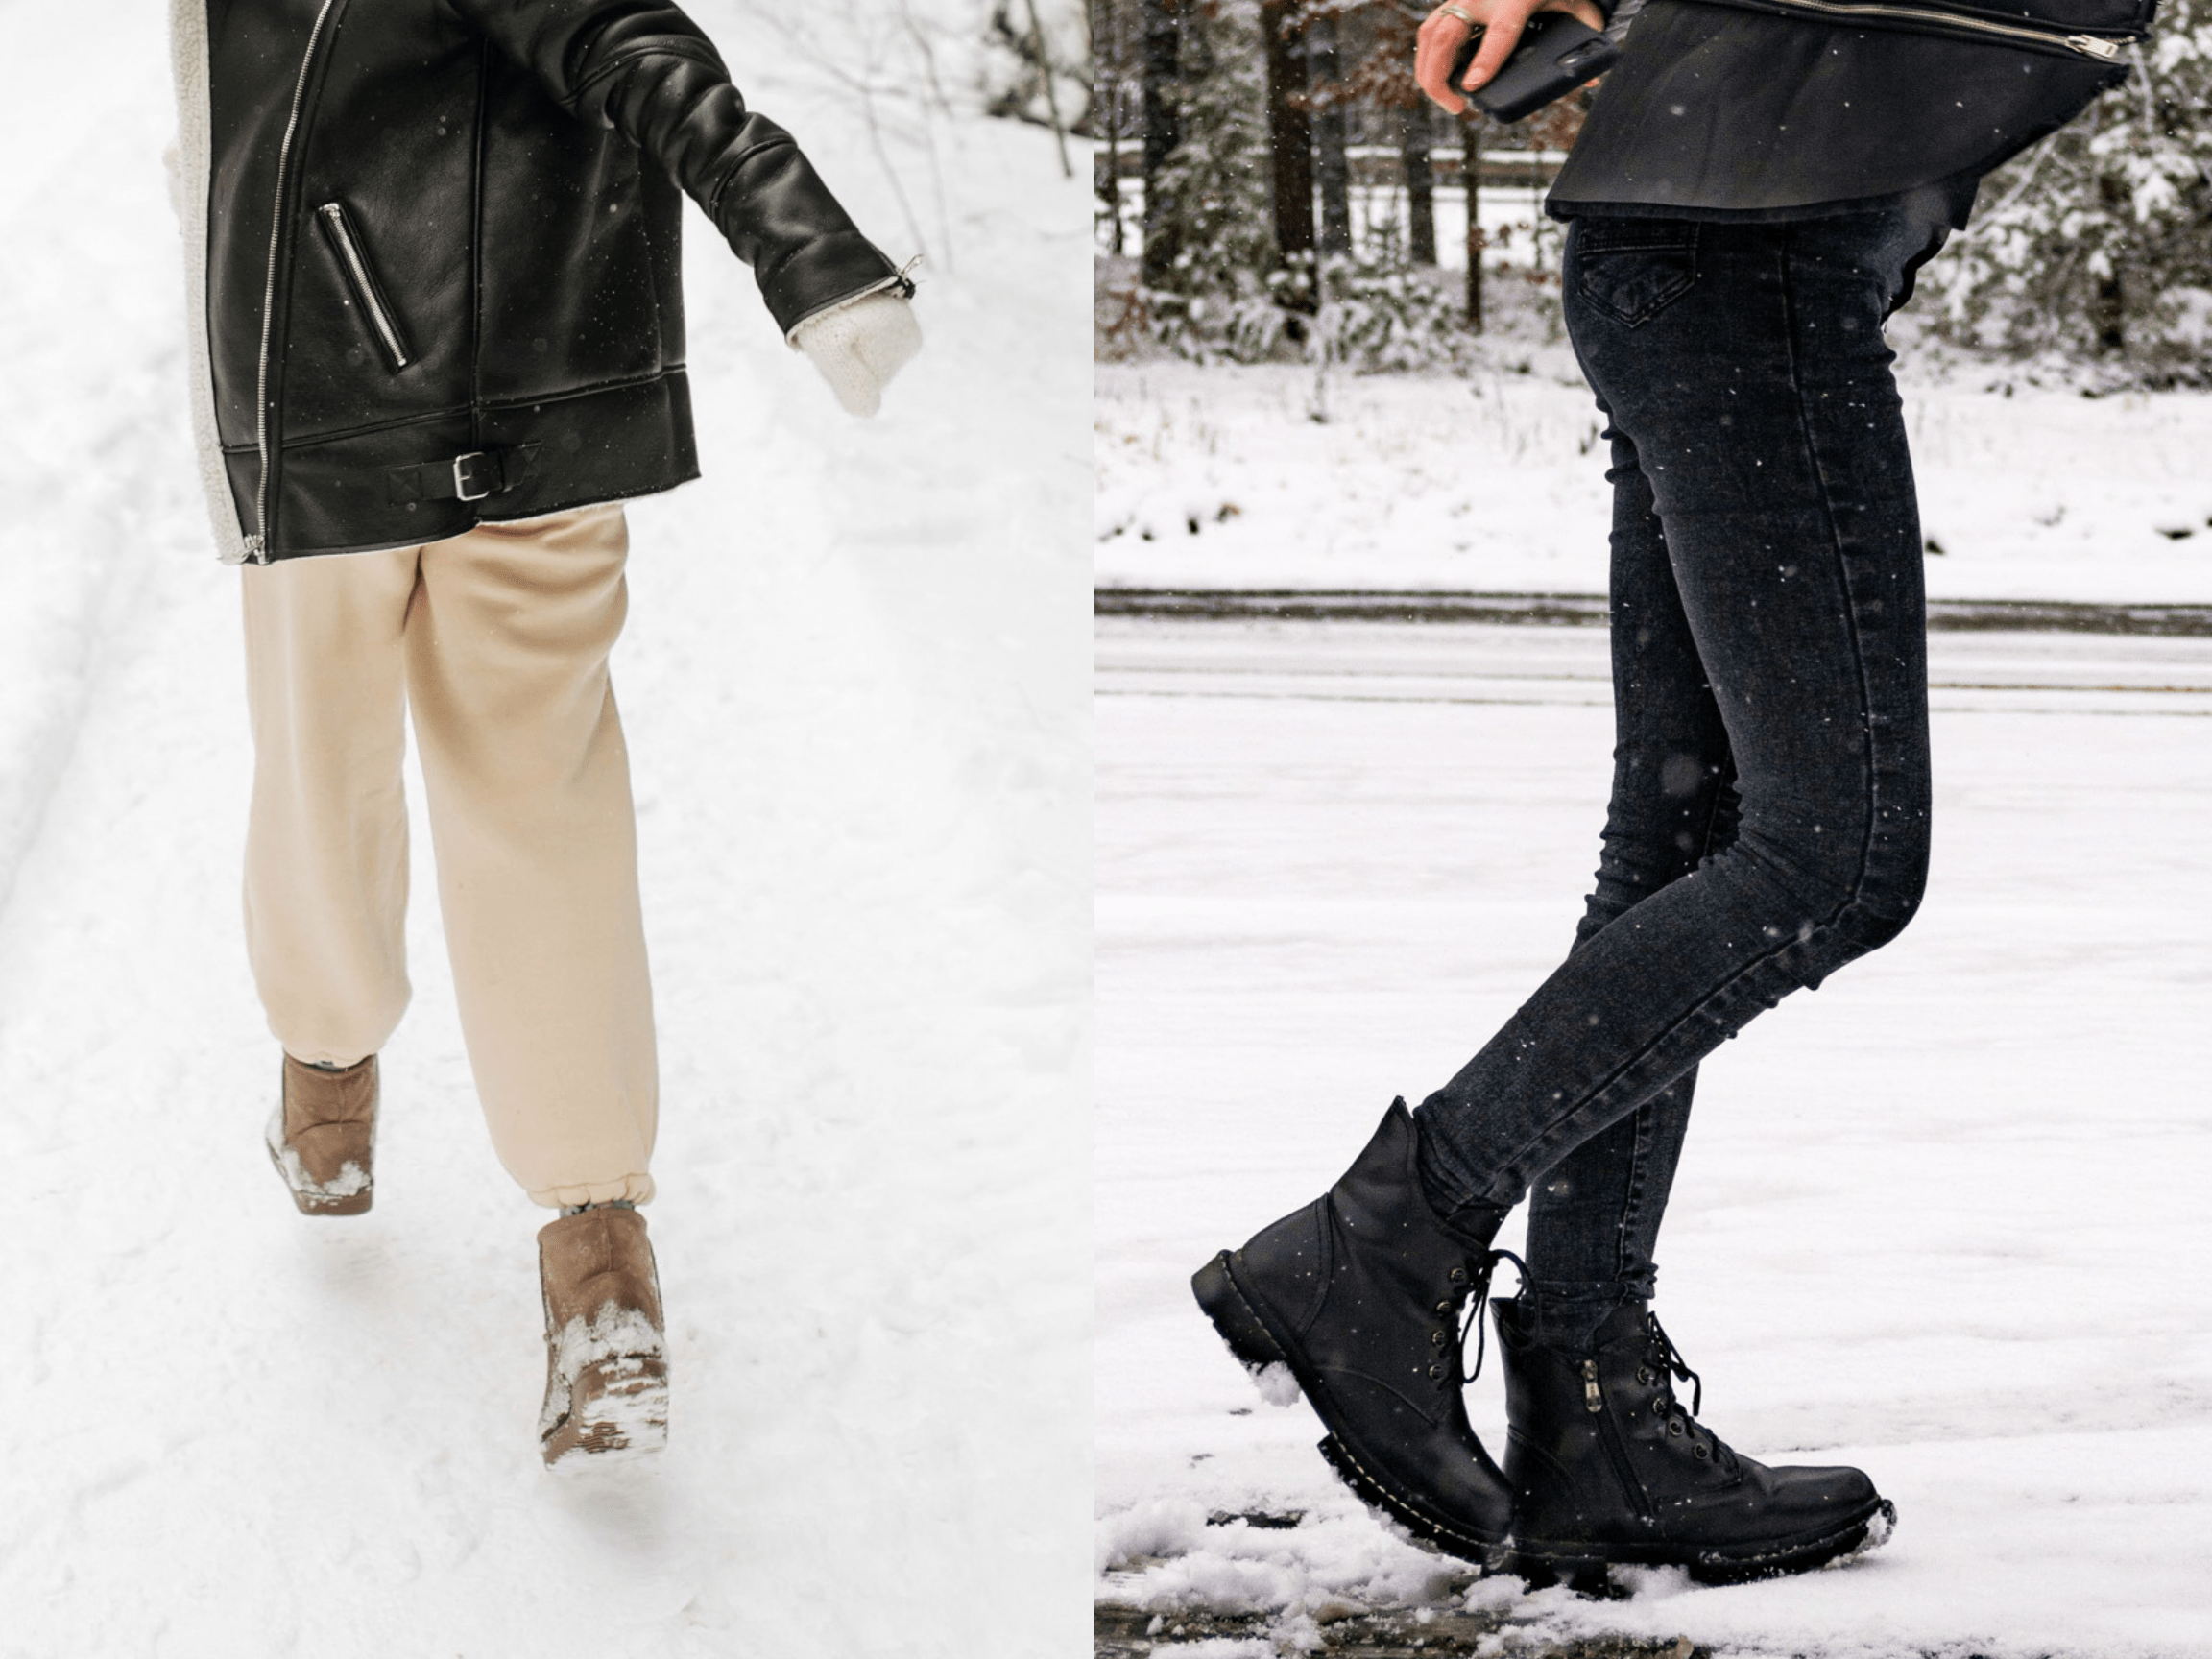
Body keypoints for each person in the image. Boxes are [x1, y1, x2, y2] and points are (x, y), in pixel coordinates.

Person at [1193, 0, 2139, 1585]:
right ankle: (1387, 1235)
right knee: (1836, 861)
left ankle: (1594, 1404)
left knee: (1690, 835)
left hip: (1709, 250)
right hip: (1748, 261)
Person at [167, 0, 921, 1467]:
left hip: (417, 406)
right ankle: (460, 1156)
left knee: (430, 785)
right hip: (401, 393)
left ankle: (470, 1179)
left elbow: (626, 35)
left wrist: (801, 236)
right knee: (428, 786)